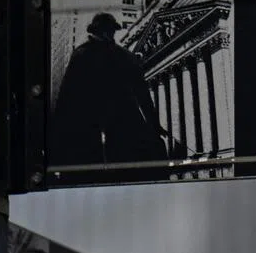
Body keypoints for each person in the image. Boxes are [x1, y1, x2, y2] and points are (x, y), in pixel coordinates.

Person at [50, 12, 169, 167]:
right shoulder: (84, 54)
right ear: (98, 30)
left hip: (120, 122)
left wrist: (154, 124)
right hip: (94, 123)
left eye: (111, 30)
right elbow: (67, 96)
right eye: (107, 29)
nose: (109, 33)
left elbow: (142, 93)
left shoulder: (121, 56)